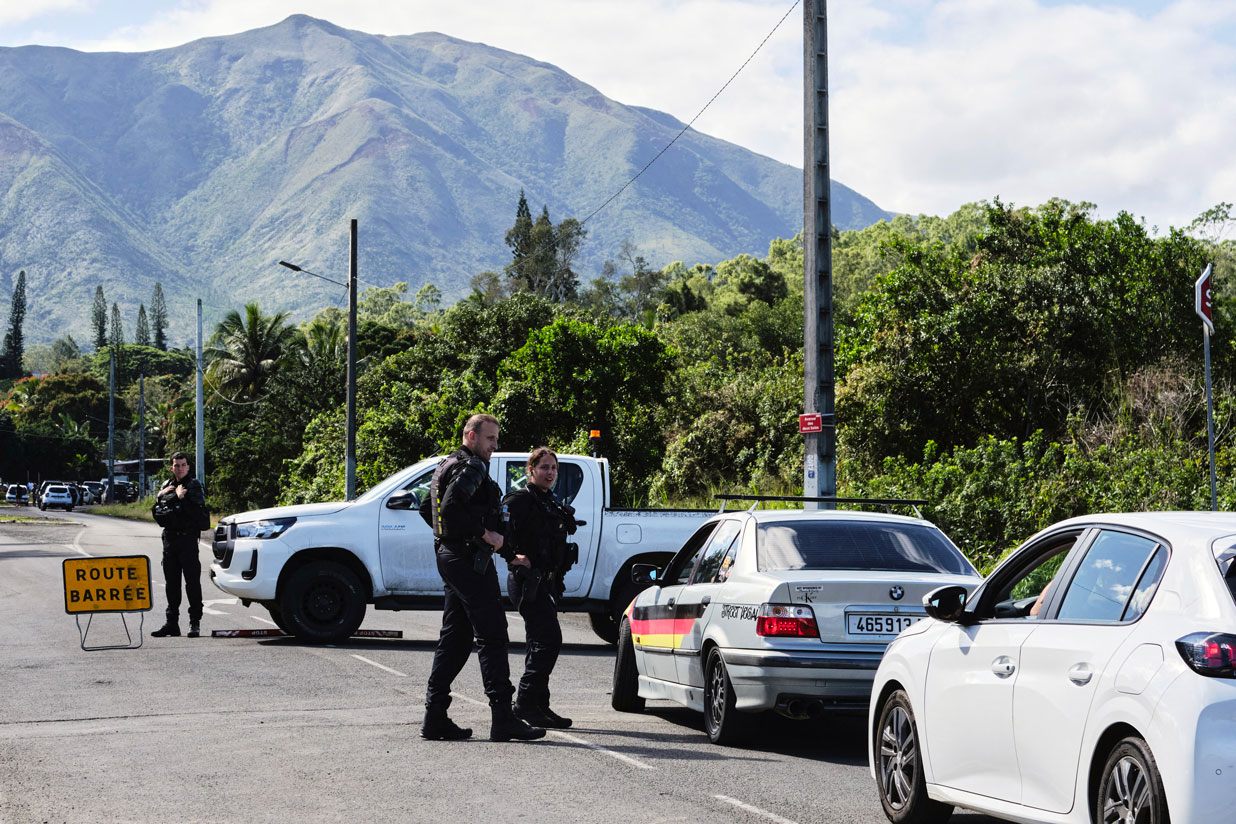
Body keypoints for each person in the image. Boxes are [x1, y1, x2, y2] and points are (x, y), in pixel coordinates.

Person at [417, 414, 545, 743]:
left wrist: (496, 548)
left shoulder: (447, 464)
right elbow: (449, 509)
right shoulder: (471, 467)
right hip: (466, 561)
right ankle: (503, 718)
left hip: (455, 558)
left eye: (496, 439)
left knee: (456, 639)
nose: (495, 446)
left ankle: (435, 718)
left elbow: (426, 507)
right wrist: (482, 534)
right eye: (490, 439)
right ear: (471, 436)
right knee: (493, 635)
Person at [503, 447, 578, 729]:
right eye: (544, 467)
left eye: (554, 468)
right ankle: (524, 702)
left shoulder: (550, 501)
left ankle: (539, 705)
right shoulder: (519, 501)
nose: (550, 473)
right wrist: (511, 556)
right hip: (528, 582)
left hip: (548, 581)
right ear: (531, 469)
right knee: (548, 641)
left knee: (539, 642)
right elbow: (498, 530)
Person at [151, 452, 207, 638]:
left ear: (188, 467)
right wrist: (165, 497)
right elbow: (158, 513)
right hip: (170, 540)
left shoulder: (194, 486)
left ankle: (195, 623)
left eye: (183, 465)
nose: (180, 468)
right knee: (171, 584)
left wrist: (178, 499)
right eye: (177, 465)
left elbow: (197, 516)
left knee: (192, 583)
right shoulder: (167, 486)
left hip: (187, 540)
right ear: (172, 467)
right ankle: (171, 623)